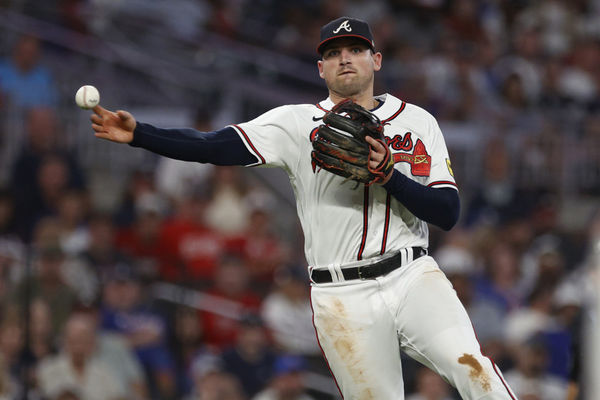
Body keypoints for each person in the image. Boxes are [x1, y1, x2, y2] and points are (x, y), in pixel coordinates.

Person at [88, 16, 517, 399]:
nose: (344, 58)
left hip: (411, 275)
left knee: (475, 370)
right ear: (320, 68)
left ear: (377, 60)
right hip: (341, 293)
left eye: (355, 49)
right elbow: (213, 146)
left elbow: (447, 211)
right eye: (333, 53)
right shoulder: (296, 123)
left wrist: (389, 176)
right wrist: (141, 134)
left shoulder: (418, 121)